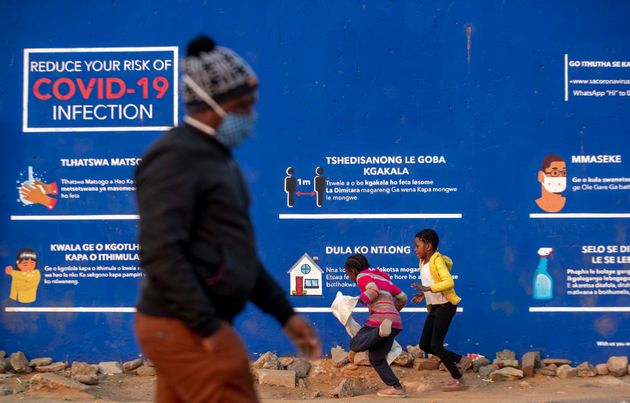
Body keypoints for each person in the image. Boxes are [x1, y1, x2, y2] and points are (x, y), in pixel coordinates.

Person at [134, 35, 321, 403]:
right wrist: (207, 329)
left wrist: (284, 314)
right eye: (242, 105)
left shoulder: (217, 158)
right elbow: (160, 253)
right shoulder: (175, 158)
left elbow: (238, 253)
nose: (250, 115)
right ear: (208, 104)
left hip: (189, 324)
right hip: (183, 326)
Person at [411, 229, 471, 392]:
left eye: (417, 246)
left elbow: (448, 282)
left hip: (446, 306)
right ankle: (461, 360)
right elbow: (432, 282)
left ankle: (459, 379)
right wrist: (423, 294)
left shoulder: (437, 261)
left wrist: (427, 288)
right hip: (436, 307)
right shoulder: (423, 262)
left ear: (428, 246)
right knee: (425, 344)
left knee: (436, 345)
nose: (415, 249)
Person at [344, 253, 408, 398]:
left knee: (355, 343)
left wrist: (358, 300)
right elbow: (403, 297)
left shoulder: (362, 276)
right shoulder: (384, 279)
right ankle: (397, 388)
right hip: (395, 322)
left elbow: (373, 290)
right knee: (376, 358)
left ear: (353, 270)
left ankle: (380, 332)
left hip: (379, 320)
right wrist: (393, 310)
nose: (349, 277)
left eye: (348, 274)